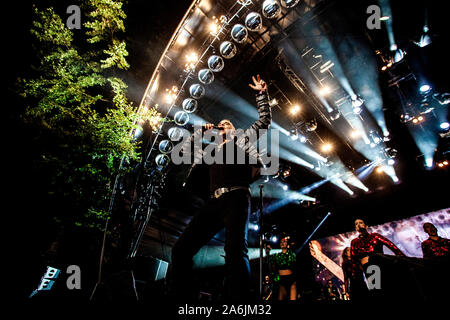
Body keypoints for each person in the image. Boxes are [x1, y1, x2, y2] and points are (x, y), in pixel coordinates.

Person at [171, 75, 272, 301]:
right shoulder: (210, 151)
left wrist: (262, 95)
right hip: (214, 201)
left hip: (236, 195)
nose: (223, 125)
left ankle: (240, 302)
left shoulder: (242, 139)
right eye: (221, 124)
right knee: (181, 249)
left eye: (227, 123)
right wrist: (199, 135)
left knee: (235, 251)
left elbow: (264, 122)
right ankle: (182, 299)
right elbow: (184, 157)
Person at [270, 236, 297, 300]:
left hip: (291, 279)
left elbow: (295, 266)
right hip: (281, 280)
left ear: (287, 243)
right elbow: (272, 266)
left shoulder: (291, 254)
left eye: (284, 241)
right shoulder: (276, 254)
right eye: (281, 242)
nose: (282, 243)